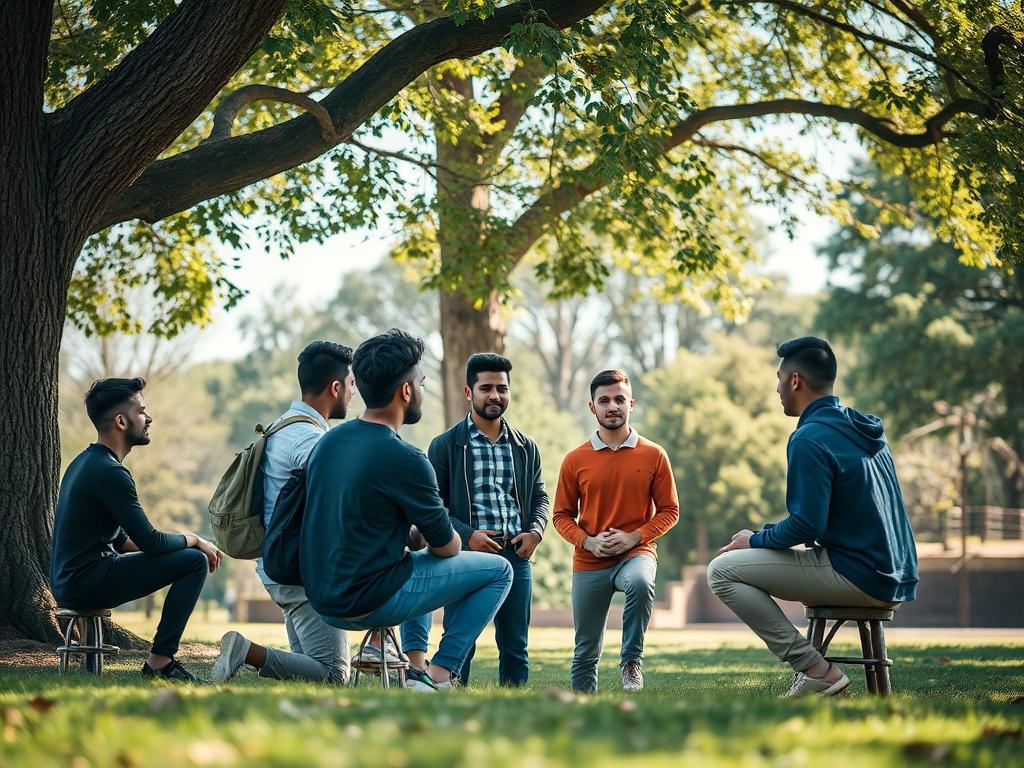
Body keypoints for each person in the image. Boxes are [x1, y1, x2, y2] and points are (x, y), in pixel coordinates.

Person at [300, 329, 513, 691]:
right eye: (422, 381)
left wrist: (409, 534)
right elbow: (448, 547)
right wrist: (427, 535)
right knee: (500, 570)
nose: (424, 389)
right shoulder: (407, 458)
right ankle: (439, 675)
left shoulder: (328, 441)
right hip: (367, 599)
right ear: (406, 391)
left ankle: (418, 661)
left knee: (418, 556)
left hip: (321, 597)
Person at [707, 336, 919, 697]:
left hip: (858, 573)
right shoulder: (861, 429)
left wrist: (754, 540)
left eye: (778, 378)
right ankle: (818, 671)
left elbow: (807, 525)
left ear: (795, 380)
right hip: (896, 574)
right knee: (740, 558)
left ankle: (817, 670)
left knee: (721, 571)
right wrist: (765, 534)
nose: (776, 388)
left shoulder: (809, 437)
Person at [50, 378, 221, 682]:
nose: (149, 417)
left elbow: (123, 541)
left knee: (188, 555)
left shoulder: (84, 463)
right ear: (121, 421)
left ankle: (160, 661)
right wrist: (194, 540)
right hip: (87, 582)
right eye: (142, 410)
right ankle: (160, 663)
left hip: (73, 581)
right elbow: (151, 543)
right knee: (194, 562)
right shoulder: (111, 473)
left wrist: (182, 543)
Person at [401, 353, 549, 687]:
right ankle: (452, 690)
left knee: (515, 644)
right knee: (460, 637)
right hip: (467, 556)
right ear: (469, 393)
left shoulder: (526, 447)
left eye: (502, 388)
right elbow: (432, 507)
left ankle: (515, 703)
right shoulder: (445, 446)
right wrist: (467, 536)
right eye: (486, 388)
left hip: (516, 552)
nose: (495, 395)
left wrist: (536, 532)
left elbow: (539, 496)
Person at [212, 341, 355, 684]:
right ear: (335, 388)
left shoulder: (284, 426)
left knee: (309, 670)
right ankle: (245, 651)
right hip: (300, 570)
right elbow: (339, 491)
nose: (354, 393)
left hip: (281, 564)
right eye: (351, 385)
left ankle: (250, 656)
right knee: (334, 675)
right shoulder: (307, 438)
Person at [553, 370, 679, 693]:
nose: (613, 406)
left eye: (619, 399)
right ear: (592, 407)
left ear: (631, 404)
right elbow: (561, 516)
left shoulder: (654, 455)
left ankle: (631, 662)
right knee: (584, 653)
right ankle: (585, 712)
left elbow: (670, 511)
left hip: (636, 553)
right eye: (604, 400)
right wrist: (588, 541)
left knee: (640, 580)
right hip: (589, 560)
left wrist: (634, 537)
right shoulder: (574, 460)